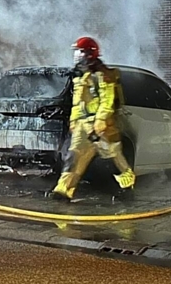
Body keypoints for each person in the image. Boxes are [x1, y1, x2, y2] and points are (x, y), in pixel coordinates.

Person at [52, 36, 135, 201]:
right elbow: (78, 103)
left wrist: (100, 122)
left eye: (80, 51)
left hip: (101, 126)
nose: (76, 55)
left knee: (113, 157)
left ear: (89, 54)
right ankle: (63, 190)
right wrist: (74, 121)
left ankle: (127, 187)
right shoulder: (80, 76)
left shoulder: (103, 75)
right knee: (74, 156)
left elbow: (107, 101)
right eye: (76, 51)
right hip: (83, 125)